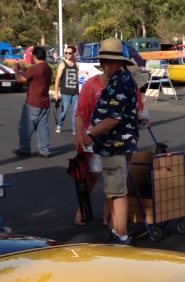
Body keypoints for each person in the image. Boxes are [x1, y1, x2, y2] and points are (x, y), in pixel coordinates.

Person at [86, 39, 142, 245]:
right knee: (116, 189)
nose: (102, 66)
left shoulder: (120, 82)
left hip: (115, 145)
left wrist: (90, 133)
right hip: (120, 143)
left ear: (114, 62)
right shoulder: (122, 80)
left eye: (104, 61)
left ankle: (121, 235)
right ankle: (118, 231)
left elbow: (112, 119)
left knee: (117, 192)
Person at [14, 45, 53, 158]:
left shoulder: (35, 69)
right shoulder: (48, 68)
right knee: (43, 128)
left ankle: (24, 149)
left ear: (35, 56)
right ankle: (44, 150)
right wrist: (24, 69)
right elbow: (35, 76)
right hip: (45, 103)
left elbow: (20, 80)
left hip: (33, 102)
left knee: (25, 127)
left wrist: (16, 71)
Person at [52, 45, 80, 134]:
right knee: (64, 110)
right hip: (65, 92)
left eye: (69, 53)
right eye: (66, 53)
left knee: (75, 111)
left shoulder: (77, 65)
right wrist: (56, 93)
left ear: (74, 54)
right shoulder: (62, 64)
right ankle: (59, 125)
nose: (67, 54)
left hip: (75, 92)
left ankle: (75, 129)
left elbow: (78, 79)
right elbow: (57, 79)